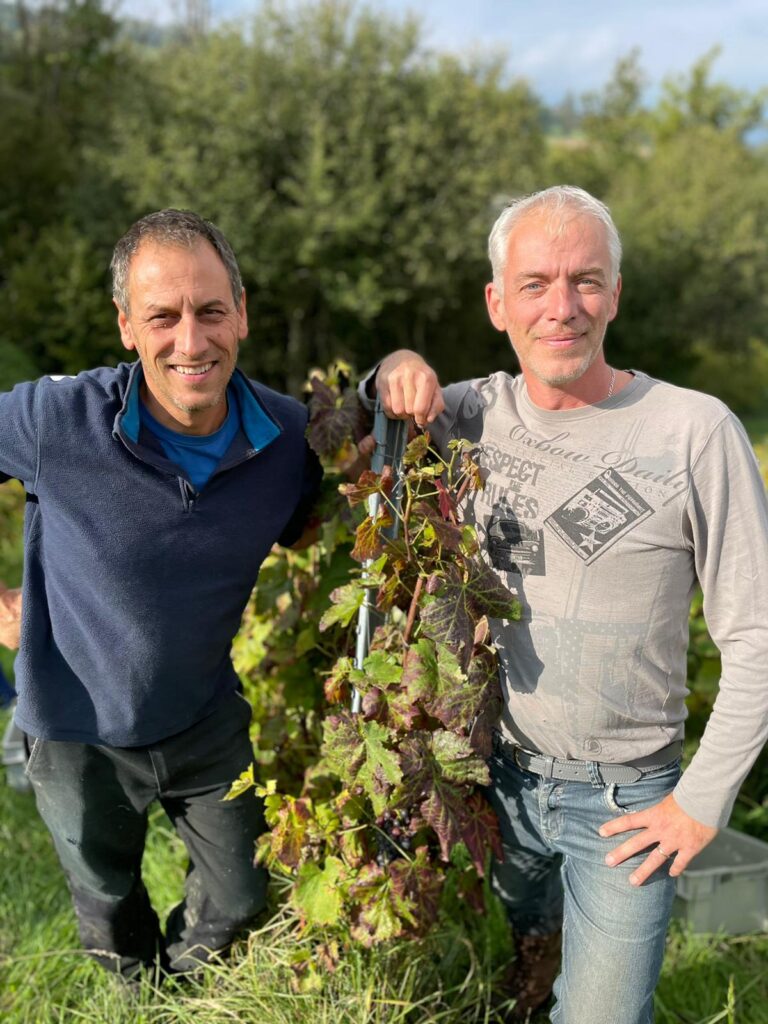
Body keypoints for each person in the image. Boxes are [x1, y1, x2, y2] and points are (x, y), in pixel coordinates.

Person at [364, 185, 768, 1023]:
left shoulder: (694, 432)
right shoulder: (469, 416)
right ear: (497, 302)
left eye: (586, 280)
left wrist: (702, 800)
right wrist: (391, 367)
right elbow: (377, 417)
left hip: (624, 802)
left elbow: (759, 633)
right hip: (497, 780)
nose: (563, 307)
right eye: (536, 283)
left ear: (616, 294)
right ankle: (538, 963)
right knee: (531, 941)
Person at [0, 209, 322, 982]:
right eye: (163, 316)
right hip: (77, 729)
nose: (191, 340)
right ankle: (137, 1000)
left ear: (241, 312)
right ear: (125, 326)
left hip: (204, 717)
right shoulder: (58, 421)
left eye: (211, 311)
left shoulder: (285, 439)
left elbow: (308, 529)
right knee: (108, 904)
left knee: (242, 895)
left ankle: (187, 981)